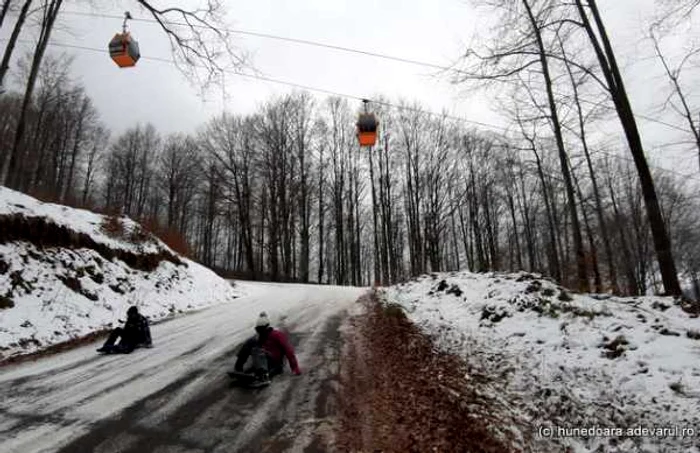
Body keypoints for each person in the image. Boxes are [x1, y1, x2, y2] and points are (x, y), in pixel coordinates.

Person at [234, 312, 301, 382]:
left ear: (266, 328)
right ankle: (239, 367)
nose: (259, 331)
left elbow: (289, 351)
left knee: (259, 351)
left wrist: (295, 368)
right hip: (263, 360)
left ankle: (262, 374)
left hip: (276, 362)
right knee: (250, 343)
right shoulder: (259, 337)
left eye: (260, 329)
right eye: (257, 329)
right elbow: (250, 348)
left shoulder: (277, 335)